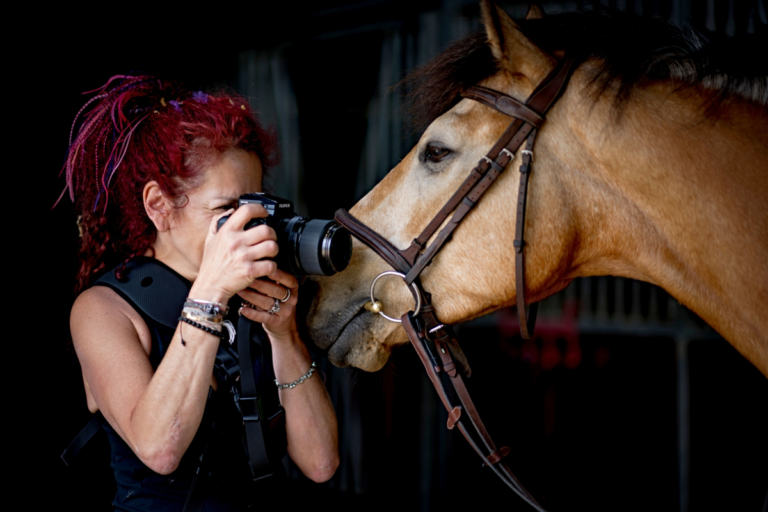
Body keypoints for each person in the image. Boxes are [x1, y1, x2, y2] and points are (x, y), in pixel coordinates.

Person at [62, 75, 339, 510]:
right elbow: (159, 449)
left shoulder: (260, 293)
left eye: (253, 207)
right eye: (226, 210)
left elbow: (321, 463)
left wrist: (285, 337)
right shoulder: (103, 310)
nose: (247, 227)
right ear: (158, 206)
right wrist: (209, 292)